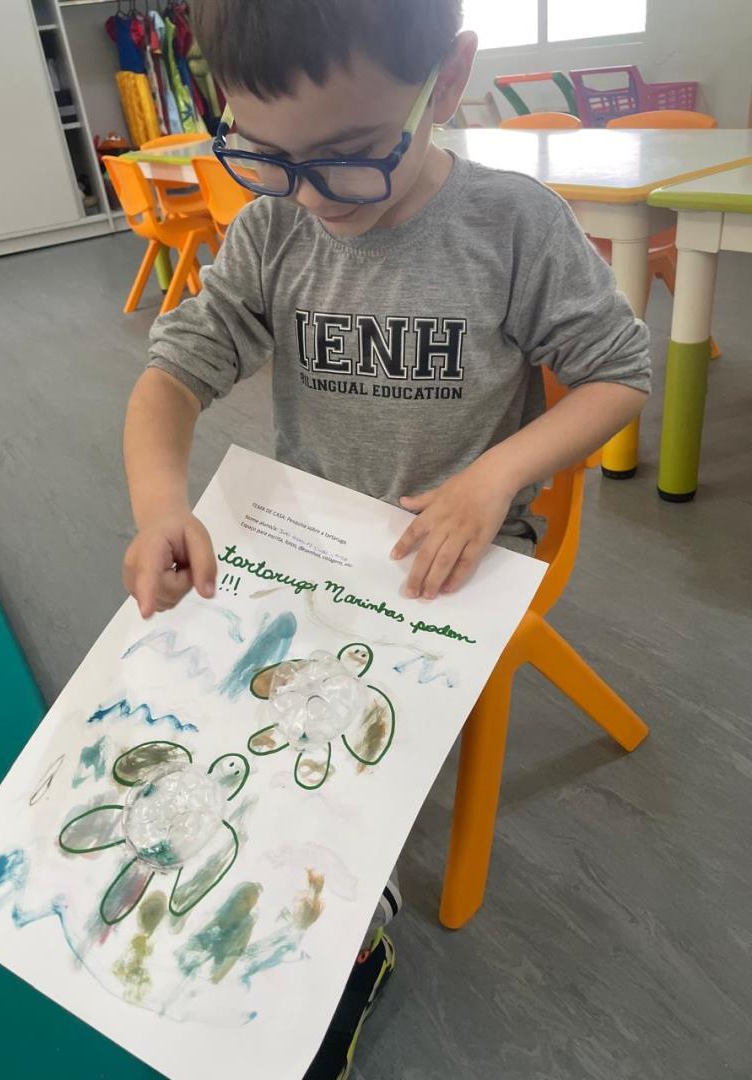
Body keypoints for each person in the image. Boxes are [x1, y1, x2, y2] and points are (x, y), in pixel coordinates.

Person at [121, 1, 651, 1075]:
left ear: (445, 83)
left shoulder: (512, 225)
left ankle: (351, 937)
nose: (312, 196)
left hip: (457, 557)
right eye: (268, 158)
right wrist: (159, 504)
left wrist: (493, 476)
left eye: (349, 156)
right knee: (207, 716)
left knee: (331, 765)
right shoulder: (274, 227)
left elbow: (620, 374)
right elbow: (172, 375)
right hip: (306, 542)